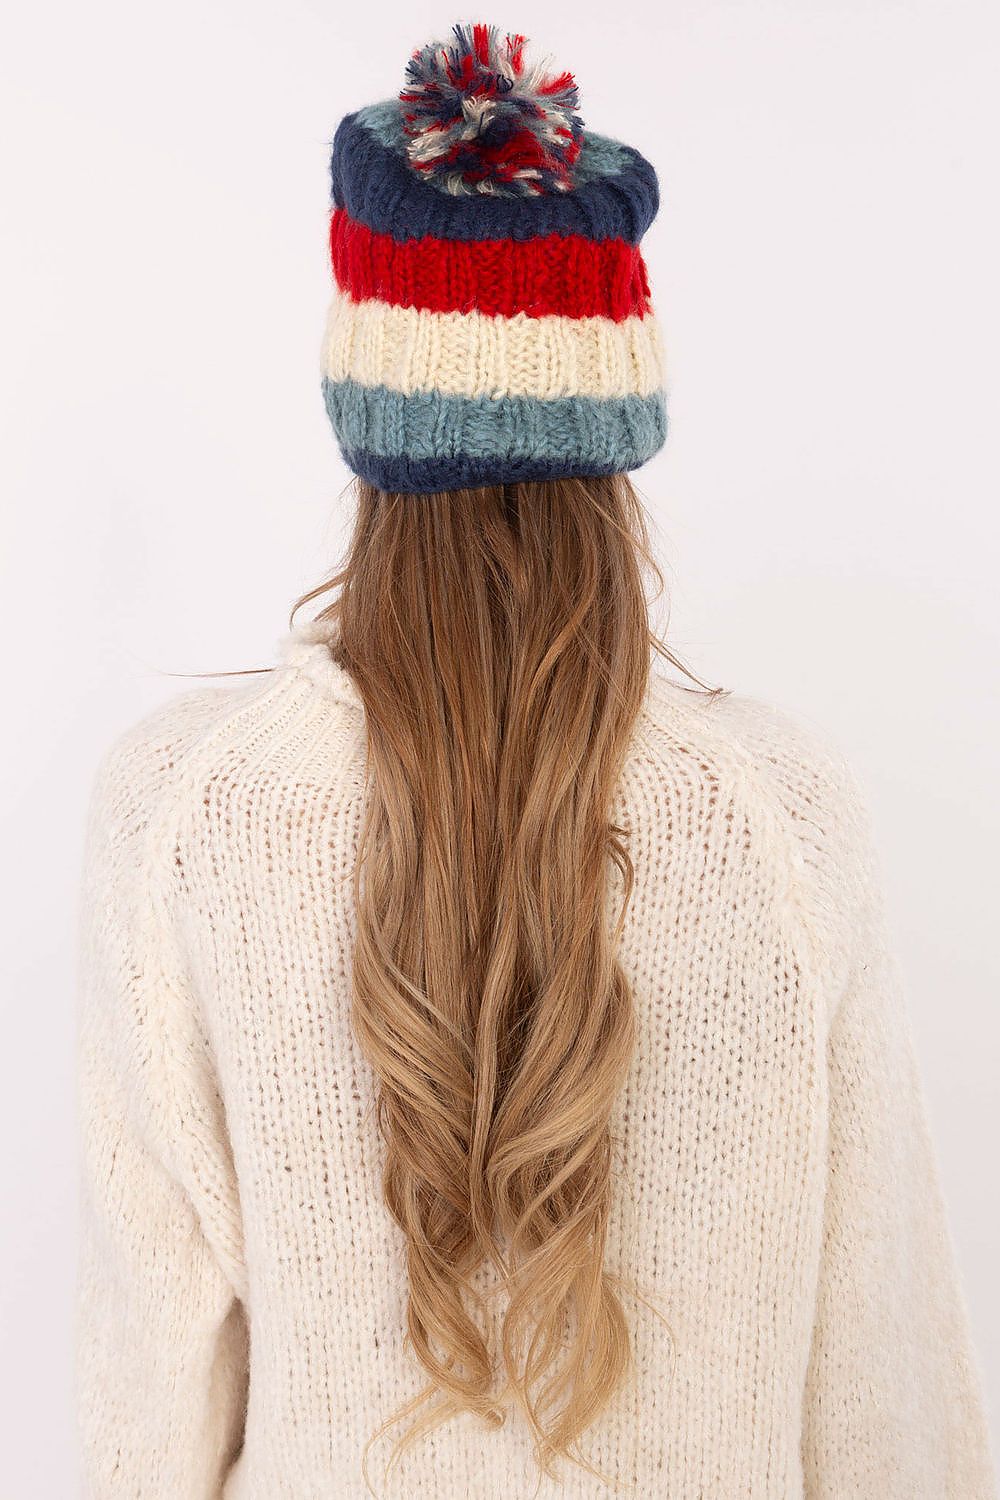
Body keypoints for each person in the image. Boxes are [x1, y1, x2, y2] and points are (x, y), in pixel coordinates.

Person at [75, 22, 996, 1500]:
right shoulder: (780, 815)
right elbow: (881, 1391)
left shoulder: (188, 811)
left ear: (366, 420)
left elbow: (149, 1386)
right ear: (618, 430)